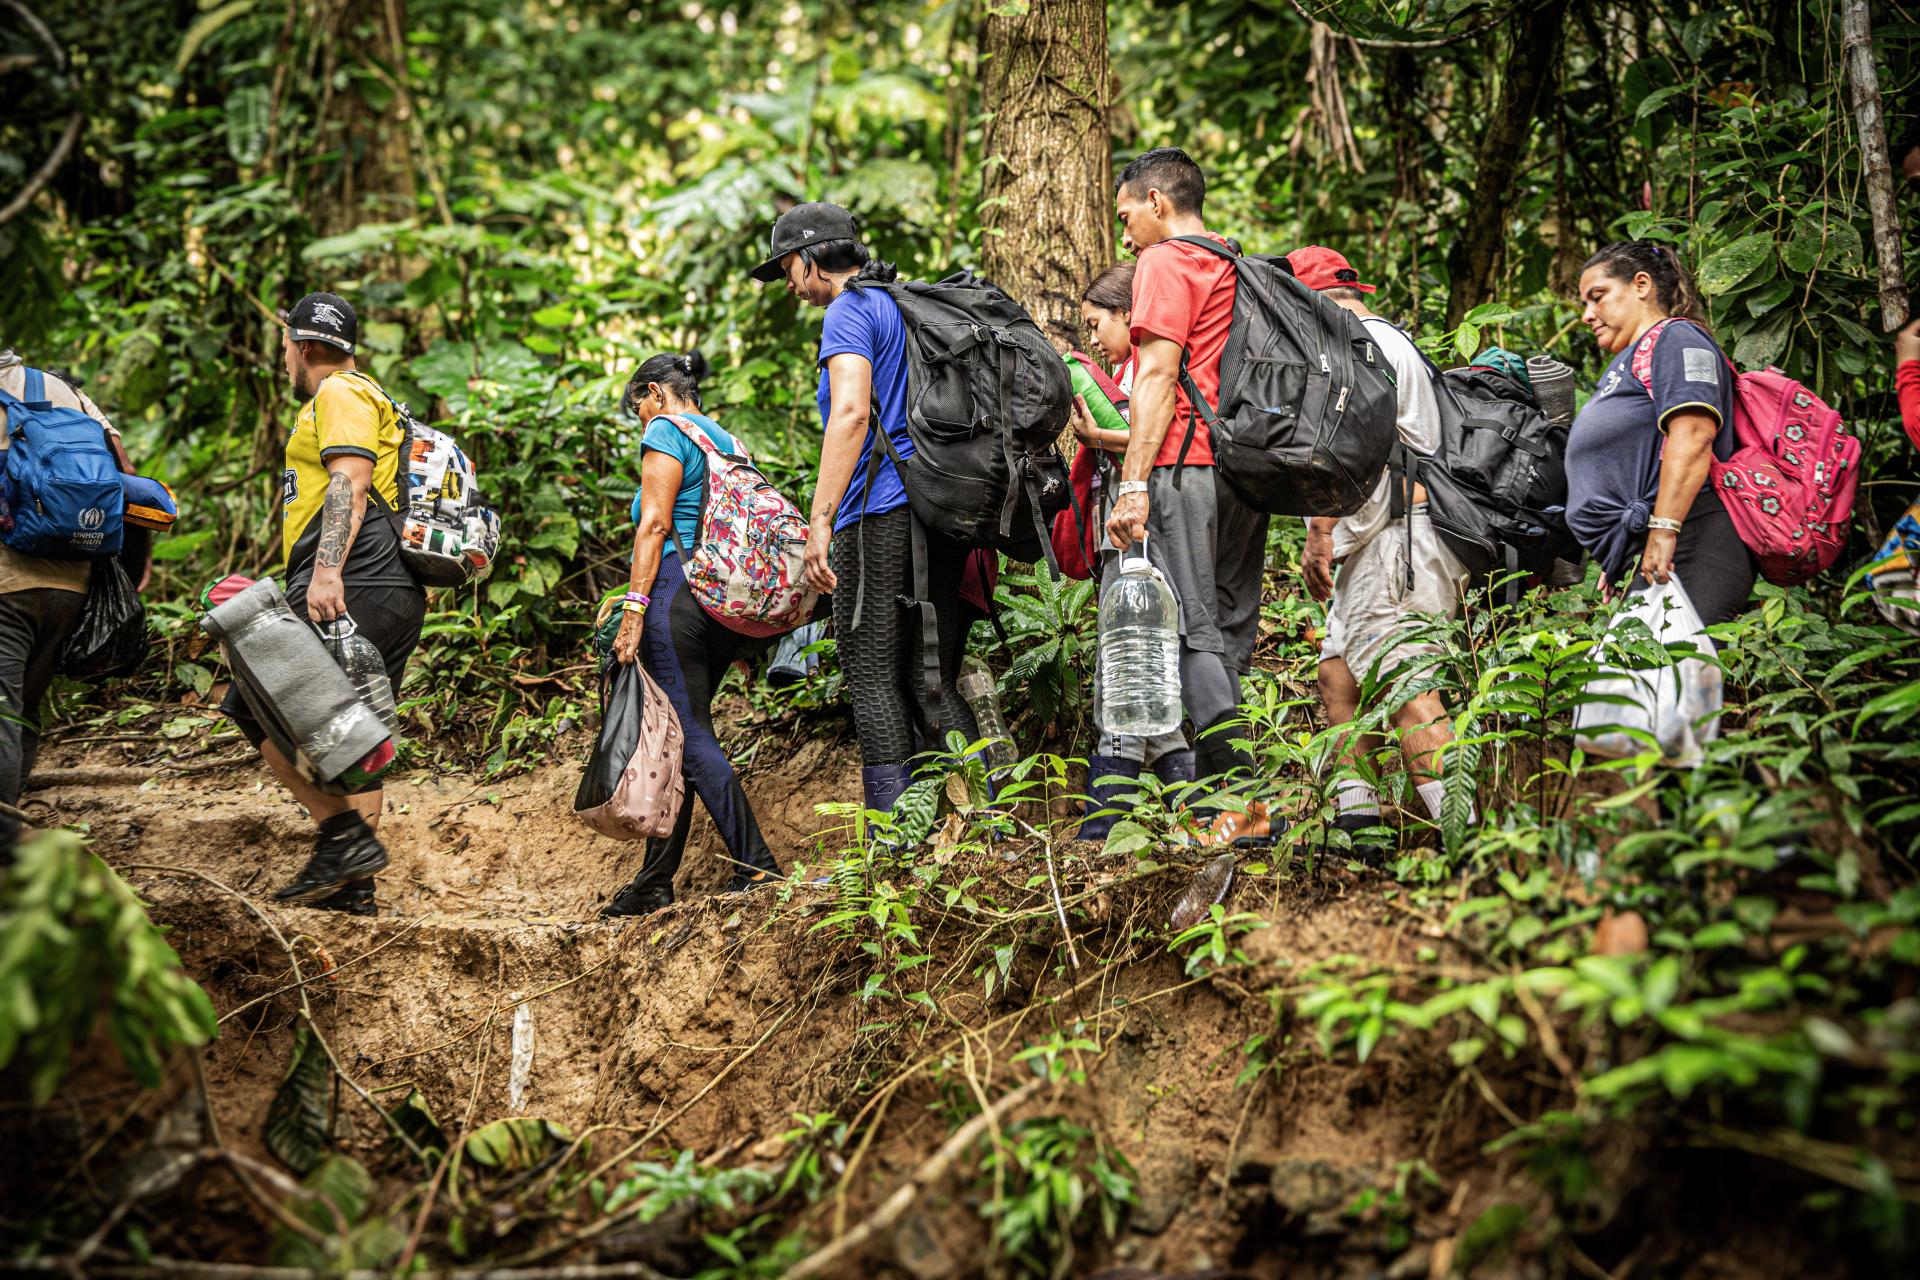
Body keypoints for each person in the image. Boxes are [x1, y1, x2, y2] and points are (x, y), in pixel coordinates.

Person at [749, 201, 978, 816]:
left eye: (788, 272)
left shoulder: (849, 311)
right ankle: (990, 822)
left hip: (877, 508)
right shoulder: (899, 302)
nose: (791, 287)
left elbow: (851, 413)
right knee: (927, 674)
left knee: (870, 671)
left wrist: (819, 520)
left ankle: (890, 841)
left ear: (808, 259)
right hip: (937, 505)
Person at [218, 293, 426, 913]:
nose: (283, 358)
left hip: (356, 576)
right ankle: (354, 888)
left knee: (251, 700)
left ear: (304, 346)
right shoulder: (364, 395)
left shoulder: (337, 394)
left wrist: (327, 571)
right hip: (388, 584)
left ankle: (343, 840)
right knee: (352, 734)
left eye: (284, 345)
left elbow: (349, 484)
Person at [1103, 147, 1268, 845]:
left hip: (1184, 465)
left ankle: (1243, 807)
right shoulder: (1235, 262)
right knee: (1225, 631)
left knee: (1188, 631)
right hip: (1243, 473)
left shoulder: (1166, 263)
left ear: (1158, 203)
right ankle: (1221, 805)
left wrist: (1134, 482)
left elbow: (1158, 377)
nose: (1126, 232)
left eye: (1127, 213)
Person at [1290, 248, 1469, 847]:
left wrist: (1319, 533)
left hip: (1398, 539)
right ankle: (1359, 828)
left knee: (1405, 687)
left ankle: (1466, 840)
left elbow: (1339, 450)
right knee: (1340, 677)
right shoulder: (1385, 338)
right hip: (1385, 540)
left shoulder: (1352, 348)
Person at [599, 352, 787, 917]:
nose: (641, 421)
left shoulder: (665, 427)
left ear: (654, 393)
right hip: (720, 603)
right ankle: (655, 881)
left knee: (690, 735)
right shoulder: (725, 440)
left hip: (676, 596)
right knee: (682, 738)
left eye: (638, 407)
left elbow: (654, 524)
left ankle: (758, 866)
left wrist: (634, 609)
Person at [0, 352, 145, 856]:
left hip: (6, 581)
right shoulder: (62, 390)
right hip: (71, 584)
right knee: (24, 708)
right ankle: (11, 824)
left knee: (2, 706)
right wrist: (130, 577)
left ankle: (6, 843)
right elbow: (125, 477)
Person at [1566, 242, 1755, 626]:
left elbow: (1694, 434)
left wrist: (1664, 529)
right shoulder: (1631, 359)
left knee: (1681, 677)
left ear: (1641, 285)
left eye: (1597, 297)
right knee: (1636, 684)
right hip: (1658, 546)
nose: (1588, 314)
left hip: (1694, 540)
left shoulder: (1677, 338)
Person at [1068, 264, 1194, 839]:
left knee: (1126, 679)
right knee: (1149, 683)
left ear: (1126, 314)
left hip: (1143, 541)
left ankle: (1102, 827)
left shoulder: (1148, 368)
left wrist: (1095, 438)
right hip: (1126, 543)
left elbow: (1158, 431)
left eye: (1098, 323)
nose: (1093, 338)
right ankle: (1194, 813)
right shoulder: (1125, 370)